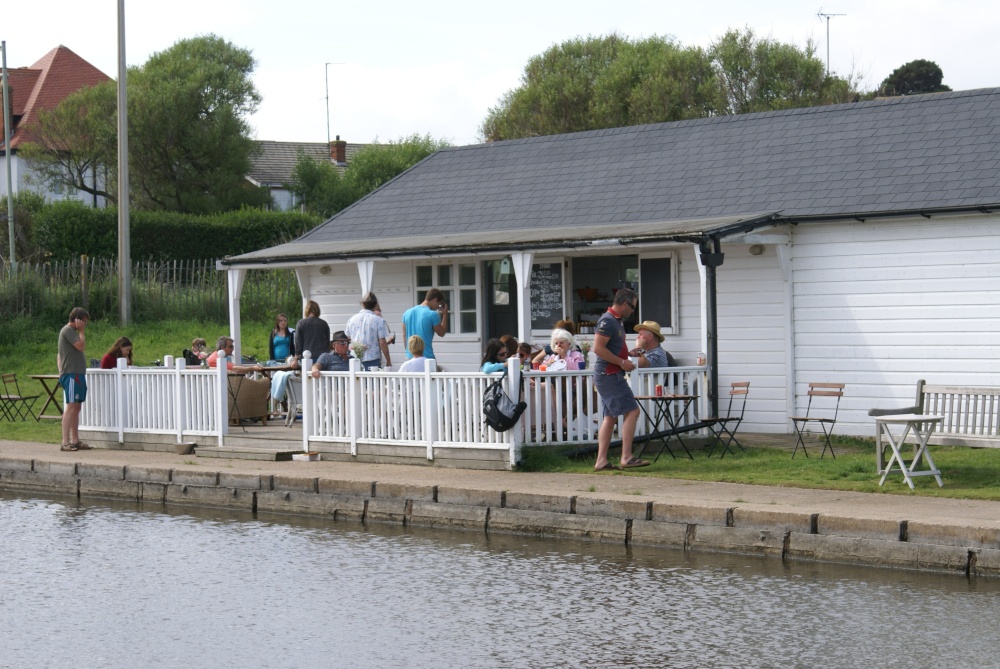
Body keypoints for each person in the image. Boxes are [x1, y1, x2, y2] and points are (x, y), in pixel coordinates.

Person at [592, 288, 649, 471]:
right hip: (609, 374)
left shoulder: (615, 321)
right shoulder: (608, 321)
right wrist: (622, 362)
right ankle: (626, 457)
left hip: (607, 373)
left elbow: (610, 348)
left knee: (610, 417)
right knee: (632, 411)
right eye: (632, 307)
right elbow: (598, 349)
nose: (632, 311)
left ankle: (601, 461)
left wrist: (629, 354)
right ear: (624, 304)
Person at [57, 307, 92, 451]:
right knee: (71, 406)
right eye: (84, 322)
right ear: (77, 320)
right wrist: (81, 332)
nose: (85, 325)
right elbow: (81, 346)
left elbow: (59, 355)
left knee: (77, 406)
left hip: (77, 373)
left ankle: (75, 440)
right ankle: (65, 441)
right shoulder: (68, 331)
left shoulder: (72, 333)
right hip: (71, 374)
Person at [345, 292, 392, 370]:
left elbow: (347, 339)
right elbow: (382, 343)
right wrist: (388, 360)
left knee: (355, 381)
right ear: (375, 305)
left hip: (354, 358)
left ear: (363, 304)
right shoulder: (379, 320)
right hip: (372, 359)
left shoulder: (351, 319)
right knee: (373, 381)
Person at [402, 288, 448, 360]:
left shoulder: (407, 313)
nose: (437, 308)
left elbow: (404, 336)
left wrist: (408, 352)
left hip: (410, 356)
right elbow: (441, 333)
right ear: (435, 300)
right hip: (427, 357)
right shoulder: (432, 314)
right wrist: (445, 315)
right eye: (438, 304)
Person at [294, 300, 330, 366]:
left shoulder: (301, 323)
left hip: (307, 358)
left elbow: (298, 342)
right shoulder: (324, 324)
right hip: (322, 358)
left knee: (307, 376)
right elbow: (327, 342)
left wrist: (296, 357)